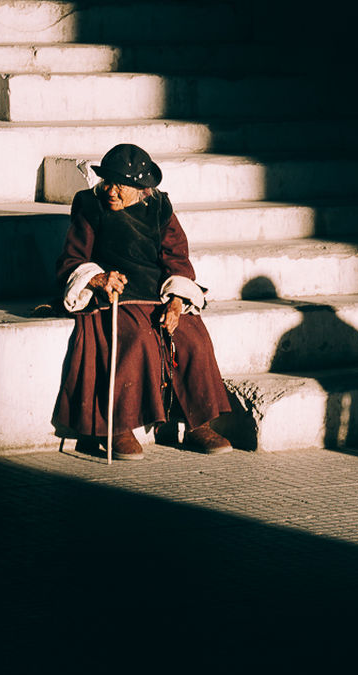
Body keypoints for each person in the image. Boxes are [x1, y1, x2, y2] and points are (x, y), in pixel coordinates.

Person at [51, 143, 233, 459]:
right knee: (136, 338)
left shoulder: (160, 208)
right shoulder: (90, 205)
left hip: (156, 291)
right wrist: (97, 278)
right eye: (106, 181)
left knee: (194, 338)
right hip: (113, 293)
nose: (110, 190)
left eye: (121, 185)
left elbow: (177, 257)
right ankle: (118, 426)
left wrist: (176, 302)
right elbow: (72, 256)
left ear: (142, 189)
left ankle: (197, 424)